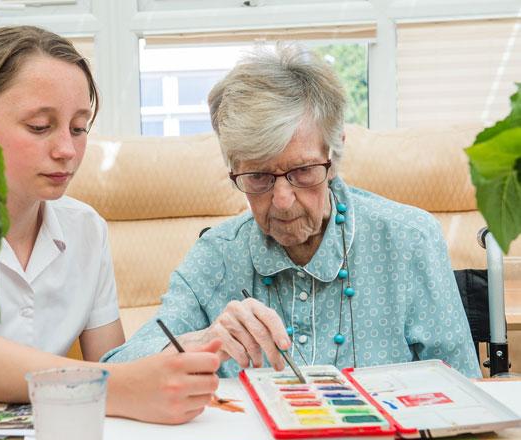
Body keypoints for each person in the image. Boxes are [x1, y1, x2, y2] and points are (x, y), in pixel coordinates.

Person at [102, 44, 481, 378]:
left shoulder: (409, 240)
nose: (282, 200)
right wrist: (202, 339)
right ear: (233, 169)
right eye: (258, 176)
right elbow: (120, 371)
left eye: (302, 171)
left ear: (334, 156)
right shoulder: (216, 256)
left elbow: (465, 391)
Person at [0, 26, 222, 424]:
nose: (67, 151)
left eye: (79, 128)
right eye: (40, 127)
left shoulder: (85, 229)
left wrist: (190, 348)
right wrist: (124, 385)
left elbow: (112, 361)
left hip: (53, 434)